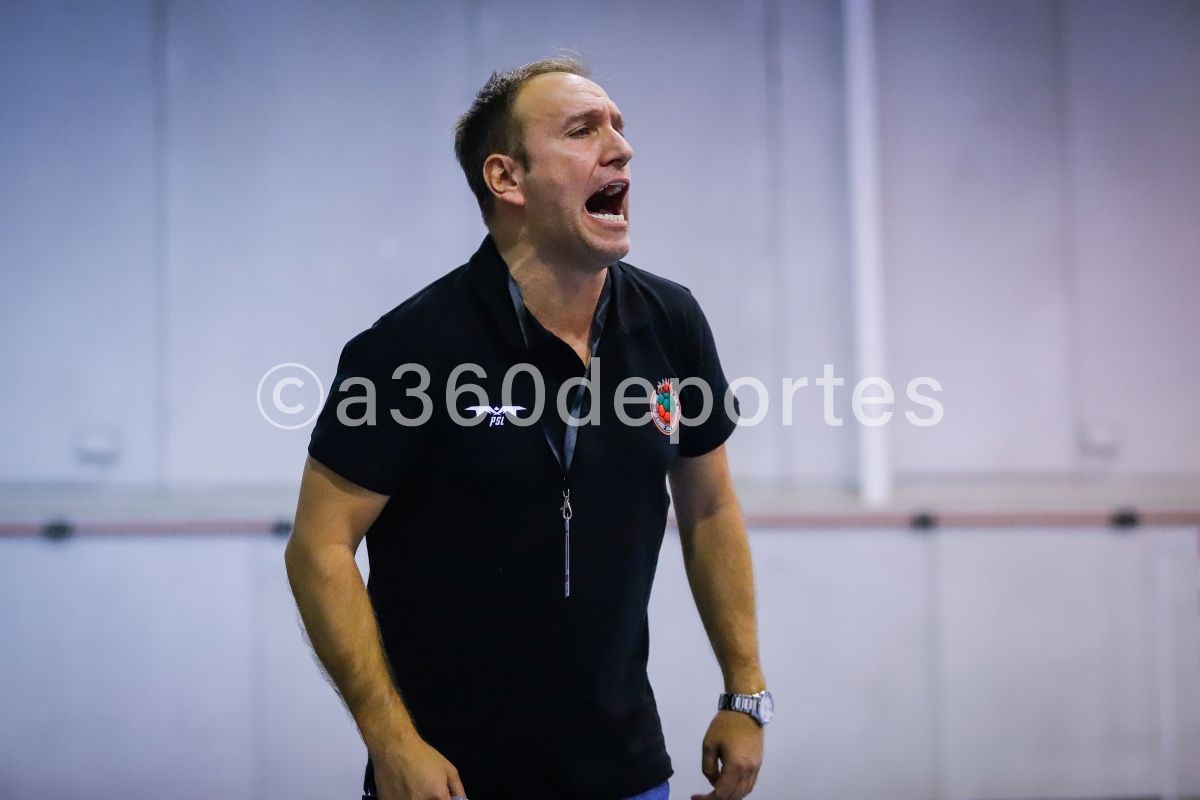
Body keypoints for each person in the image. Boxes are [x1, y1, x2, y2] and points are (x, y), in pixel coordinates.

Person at [285, 56, 770, 800]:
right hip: (451, 779)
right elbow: (319, 547)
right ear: (506, 178)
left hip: (627, 772)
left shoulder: (670, 321)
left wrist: (745, 692)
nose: (622, 148)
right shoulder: (408, 349)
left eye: (618, 127)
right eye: (583, 130)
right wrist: (391, 740)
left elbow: (710, 508)